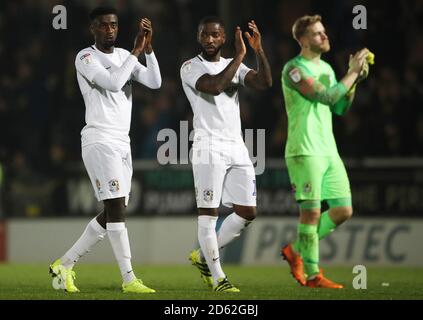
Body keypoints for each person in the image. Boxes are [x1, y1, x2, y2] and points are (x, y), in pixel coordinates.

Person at [49, 6, 161, 293]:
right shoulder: (85, 57)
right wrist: (135, 53)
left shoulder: (124, 55)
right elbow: (112, 83)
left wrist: (148, 50)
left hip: (122, 141)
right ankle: (129, 279)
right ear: (93, 29)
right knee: (115, 208)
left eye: (113, 25)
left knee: (116, 207)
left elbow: (155, 82)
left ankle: (65, 263)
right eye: (103, 25)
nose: (109, 30)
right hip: (99, 139)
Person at [180, 16, 272, 292]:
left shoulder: (235, 64)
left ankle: (203, 255)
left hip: (236, 146)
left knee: (247, 211)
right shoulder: (189, 67)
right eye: (205, 35)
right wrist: (240, 56)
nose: (210, 39)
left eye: (215, 35)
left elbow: (264, 82)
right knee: (209, 214)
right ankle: (219, 278)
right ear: (199, 38)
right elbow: (215, 86)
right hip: (208, 146)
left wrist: (258, 51)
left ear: (222, 39)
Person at [280, 14, 370, 288]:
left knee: (343, 210)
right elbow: (326, 96)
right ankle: (313, 274)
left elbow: (339, 107)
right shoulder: (294, 69)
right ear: (304, 40)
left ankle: (295, 249)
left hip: (328, 149)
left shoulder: (329, 70)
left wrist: (354, 80)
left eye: (324, 31)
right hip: (304, 149)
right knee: (312, 213)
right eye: (318, 33)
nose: (325, 36)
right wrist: (352, 72)